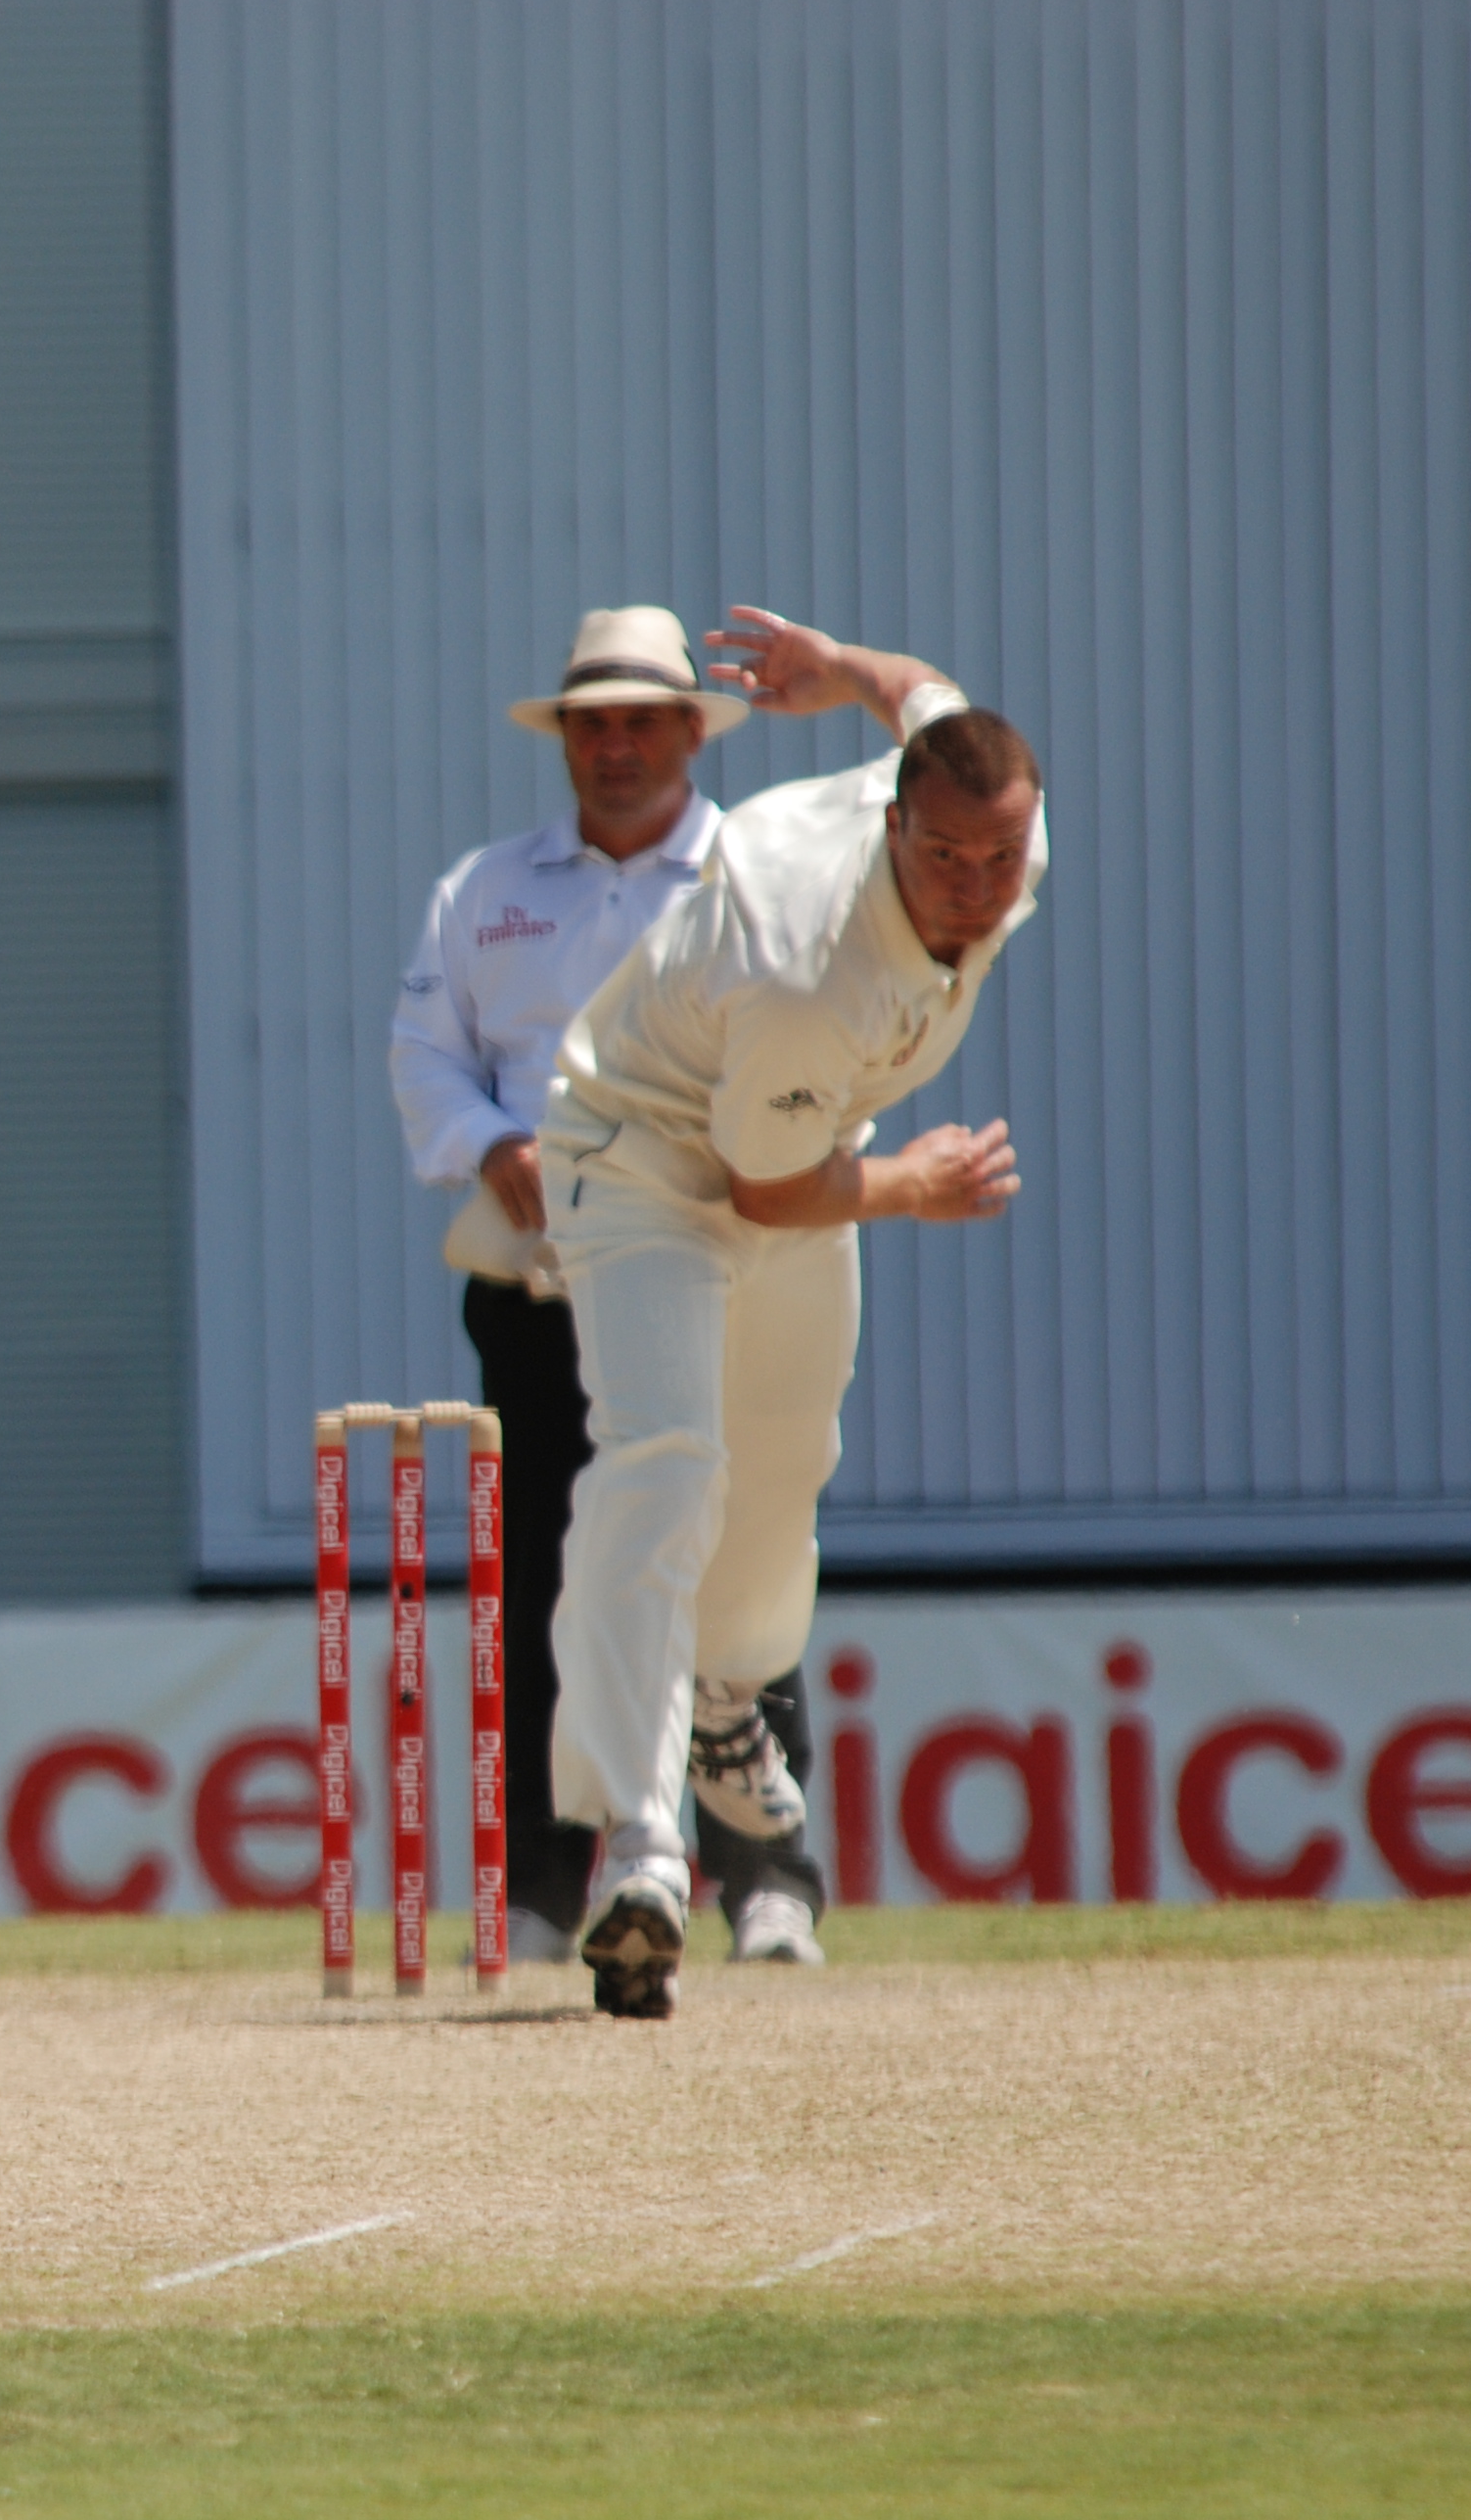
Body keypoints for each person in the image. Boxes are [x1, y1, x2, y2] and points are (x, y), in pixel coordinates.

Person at [541, 607, 1043, 2019]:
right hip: (642, 1161)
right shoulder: (806, 955)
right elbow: (767, 1195)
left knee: (782, 1477)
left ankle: (725, 1700)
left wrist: (841, 672)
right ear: (894, 831)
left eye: (999, 858)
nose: (974, 888)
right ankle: (639, 1859)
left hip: (802, 1150)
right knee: (665, 1470)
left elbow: (923, 694)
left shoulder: (1000, 819)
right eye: (944, 860)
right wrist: (917, 1182)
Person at [388, 608, 827, 1971]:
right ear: (563, 738)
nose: (618, 745)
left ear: (696, 731)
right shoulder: (486, 890)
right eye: (595, 723)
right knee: (546, 1586)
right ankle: (544, 1883)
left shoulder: (755, 879)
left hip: (715, 1263)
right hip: (543, 1283)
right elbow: (424, 1056)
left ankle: (766, 1881)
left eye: (644, 719)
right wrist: (492, 1145)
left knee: (731, 1560)